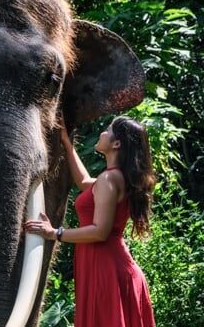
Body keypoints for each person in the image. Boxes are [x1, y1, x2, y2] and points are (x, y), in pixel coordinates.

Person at [25, 115, 156, 327]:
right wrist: (67, 145)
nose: (102, 133)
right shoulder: (115, 177)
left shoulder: (109, 179)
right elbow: (85, 182)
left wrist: (54, 233)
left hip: (106, 269)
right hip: (110, 266)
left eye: (107, 130)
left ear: (116, 143)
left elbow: (99, 231)